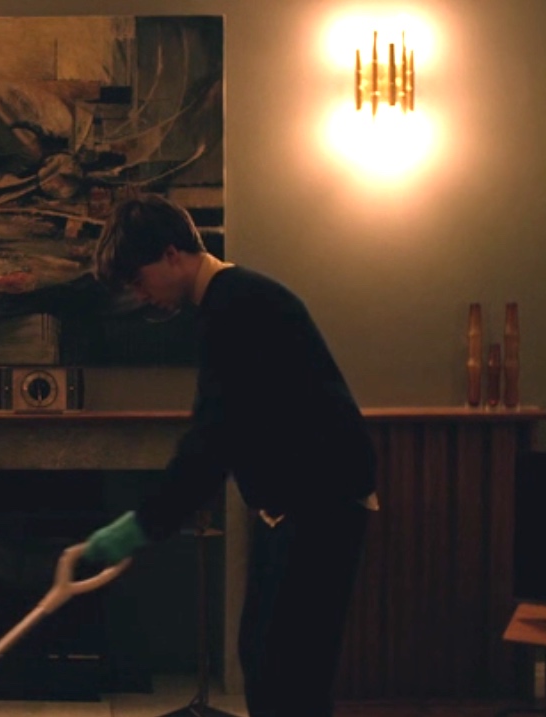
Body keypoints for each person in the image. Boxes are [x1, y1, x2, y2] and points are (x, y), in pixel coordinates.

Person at [80, 193, 379, 717]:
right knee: (264, 661)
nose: (139, 295)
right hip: (296, 506)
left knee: (288, 679)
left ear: (172, 254)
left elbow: (212, 439)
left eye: (139, 279)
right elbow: (226, 430)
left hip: (322, 506)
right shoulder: (227, 301)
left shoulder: (238, 305)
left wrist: (139, 527)